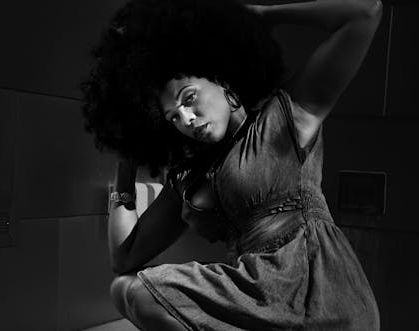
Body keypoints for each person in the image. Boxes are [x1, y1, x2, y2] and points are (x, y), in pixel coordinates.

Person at [81, 0, 382, 329]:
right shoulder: (190, 175)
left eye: (189, 98)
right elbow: (125, 257)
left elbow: (365, 13)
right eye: (173, 117)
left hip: (319, 292)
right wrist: (125, 164)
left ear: (221, 79)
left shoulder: (286, 117)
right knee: (128, 290)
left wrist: (264, 15)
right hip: (255, 296)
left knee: (135, 290)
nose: (187, 119)